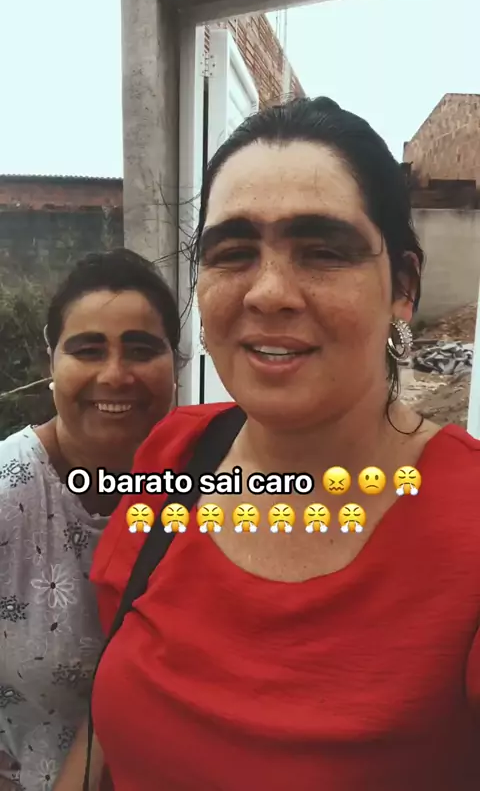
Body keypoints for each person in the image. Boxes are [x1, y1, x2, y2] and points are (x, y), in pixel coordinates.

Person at [59, 98, 480, 791]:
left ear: (403, 287)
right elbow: (108, 708)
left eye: (323, 251)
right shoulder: (174, 454)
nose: (269, 293)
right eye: (233, 253)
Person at [0, 248, 181, 790]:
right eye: (88, 350)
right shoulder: (9, 496)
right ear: (50, 361)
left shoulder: (208, 481)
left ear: (176, 363)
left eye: (142, 350)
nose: (116, 374)